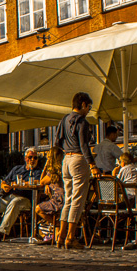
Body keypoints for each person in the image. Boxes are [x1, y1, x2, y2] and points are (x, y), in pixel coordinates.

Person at [0, 148, 45, 242]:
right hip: (9, 196)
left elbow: (39, 182)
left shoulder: (39, 172)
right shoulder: (17, 169)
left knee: (15, 203)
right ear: (25, 158)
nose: (32, 160)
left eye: (35, 158)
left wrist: (22, 184)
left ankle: (1, 232)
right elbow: (5, 181)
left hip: (26, 199)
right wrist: (4, 186)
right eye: (30, 157)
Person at [55, 92, 95, 249]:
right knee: (78, 199)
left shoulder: (64, 119)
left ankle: (61, 235)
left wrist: (67, 150)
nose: (89, 110)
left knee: (68, 199)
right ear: (83, 104)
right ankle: (71, 237)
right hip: (78, 159)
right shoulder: (82, 122)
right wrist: (92, 164)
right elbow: (85, 146)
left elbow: (57, 141)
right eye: (89, 107)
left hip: (66, 159)